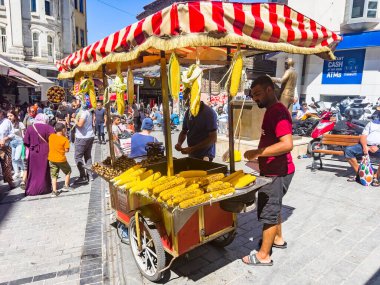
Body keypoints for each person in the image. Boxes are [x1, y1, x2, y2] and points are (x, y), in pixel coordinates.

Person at [242, 76, 294, 266]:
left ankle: (264, 255)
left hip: (276, 172)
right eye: (253, 94)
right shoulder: (272, 110)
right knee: (275, 205)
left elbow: (287, 144)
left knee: (269, 211)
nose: (255, 98)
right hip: (275, 169)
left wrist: (258, 152)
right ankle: (277, 239)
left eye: (258, 94)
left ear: (270, 90)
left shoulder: (277, 112)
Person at [175, 90, 218, 161]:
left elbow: (213, 138)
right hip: (193, 153)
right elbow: (184, 131)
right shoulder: (188, 112)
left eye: (189, 102)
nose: (188, 105)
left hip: (205, 154)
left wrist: (192, 149)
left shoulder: (209, 113)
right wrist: (179, 143)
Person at [345, 111, 380, 186]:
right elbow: (363, 136)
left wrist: (378, 147)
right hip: (366, 146)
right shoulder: (372, 123)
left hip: (378, 148)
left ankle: (376, 177)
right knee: (348, 150)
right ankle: (360, 175)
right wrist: (365, 147)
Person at [23, 114, 55, 196]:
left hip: (33, 152)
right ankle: (45, 188)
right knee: (44, 170)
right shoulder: (49, 128)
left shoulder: (30, 128)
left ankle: (32, 189)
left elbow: (26, 141)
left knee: (33, 171)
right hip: (45, 151)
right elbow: (54, 139)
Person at [71, 102, 95, 184]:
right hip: (90, 136)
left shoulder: (84, 113)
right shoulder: (88, 112)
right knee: (87, 156)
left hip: (82, 137)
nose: (76, 103)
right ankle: (90, 174)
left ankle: (83, 176)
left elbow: (80, 124)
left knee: (78, 157)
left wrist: (74, 120)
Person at [48, 123, 72, 197]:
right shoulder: (65, 139)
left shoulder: (51, 136)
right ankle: (66, 186)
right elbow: (66, 150)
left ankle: (54, 191)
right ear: (63, 130)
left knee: (54, 175)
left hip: (51, 159)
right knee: (68, 171)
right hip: (61, 159)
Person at [0, 109, 16, 190]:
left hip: (5, 146)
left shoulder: (6, 122)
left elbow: (12, 133)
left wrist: (5, 139)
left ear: (1, 113)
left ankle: (10, 182)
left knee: (7, 165)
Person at [7, 110, 25, 180]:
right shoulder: (8, 124)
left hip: (19, 142)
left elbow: (24, 134)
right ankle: (16, 172)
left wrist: (25, 142)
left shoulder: (20, 123)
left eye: (11, 116)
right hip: (11, 143)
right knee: (13, 159)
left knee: (17, 158)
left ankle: (23, 169)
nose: (9, 117)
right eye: (8, 116)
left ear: (15, 116)